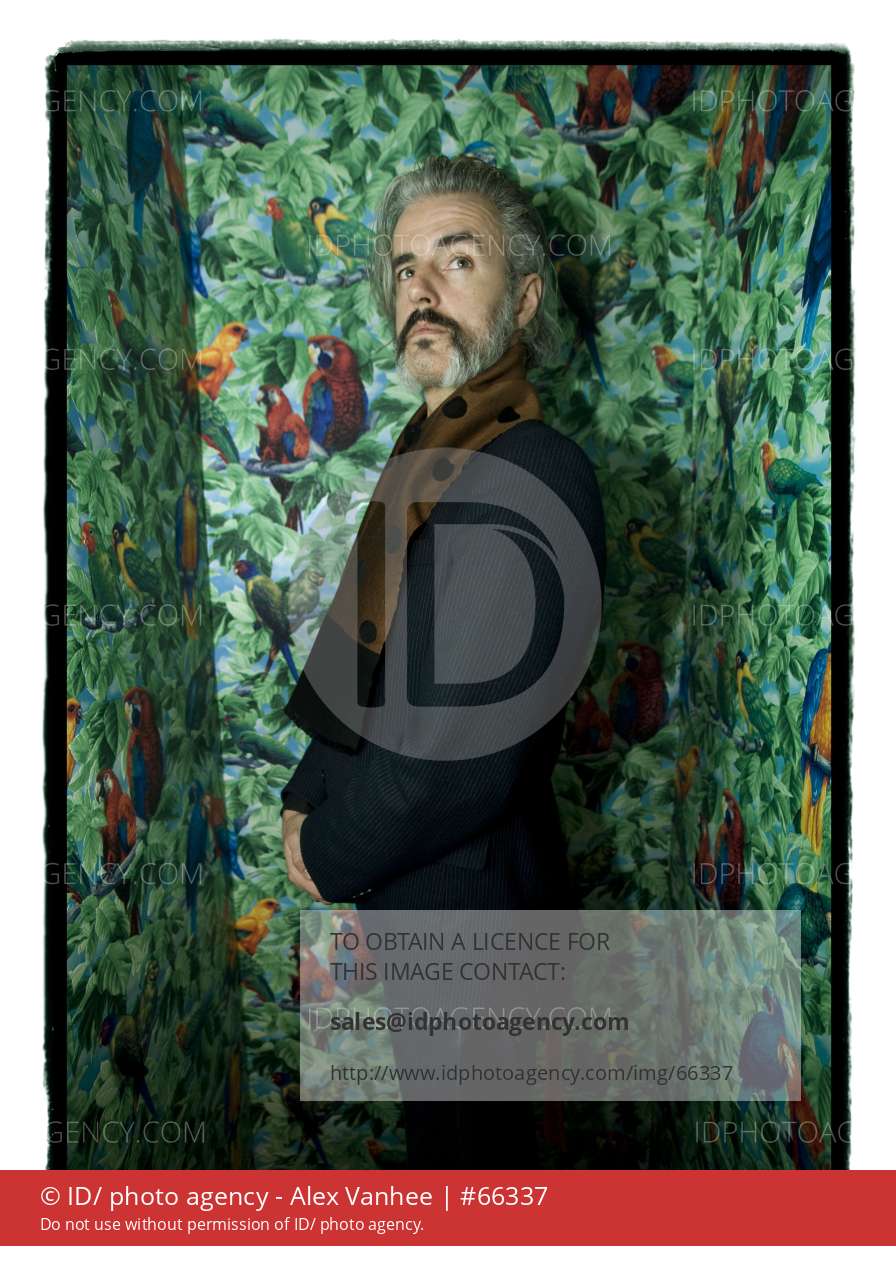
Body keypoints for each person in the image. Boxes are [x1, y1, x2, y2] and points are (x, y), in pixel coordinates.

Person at [280, 154, 606, 1168]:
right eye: (403, 267)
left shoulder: (533, 468)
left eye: (457, 260)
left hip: (475, 907)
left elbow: (453, 765)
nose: (419, 289)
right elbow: (374, 666)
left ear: (525, 299)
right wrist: (304, 792)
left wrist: (324, 851)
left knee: (470, 1171)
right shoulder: (429, 461)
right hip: (427, 896)